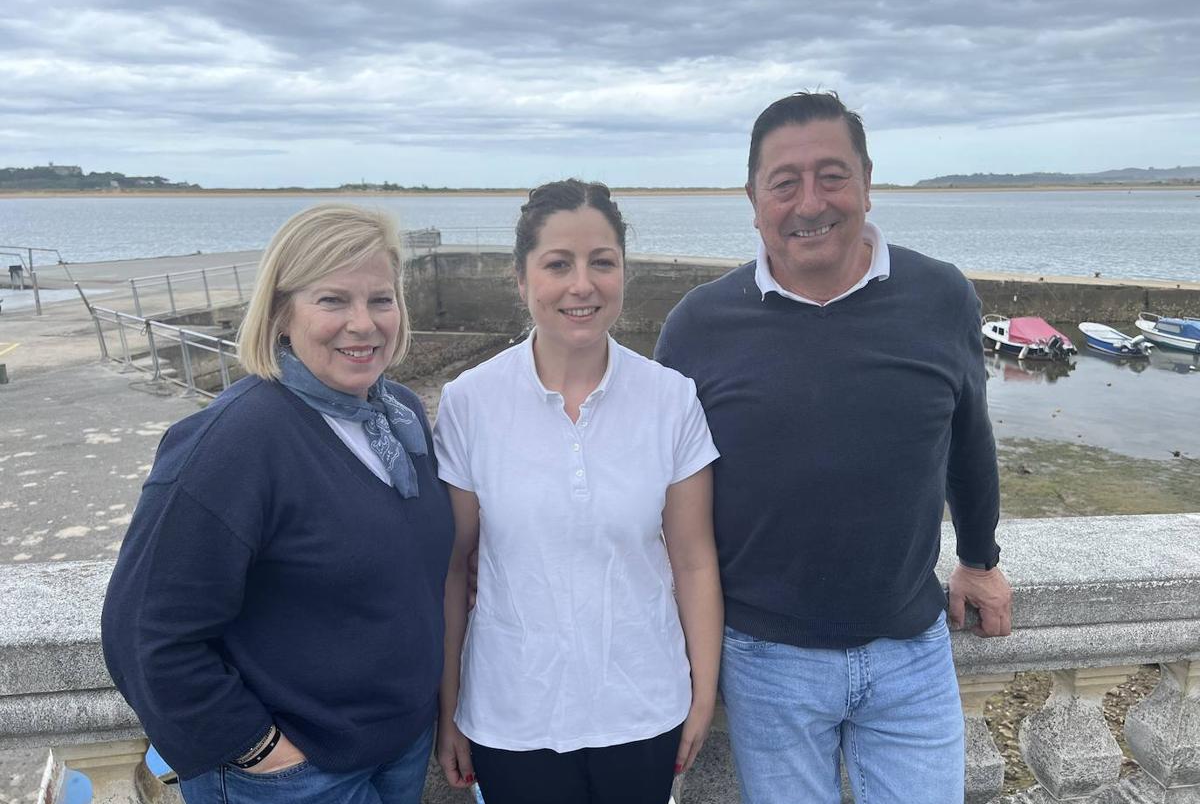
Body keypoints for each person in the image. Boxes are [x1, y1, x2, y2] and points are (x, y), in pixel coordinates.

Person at [654, 92, 1013, 804]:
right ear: (753, 199)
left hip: (912, 650)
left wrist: (979, 559)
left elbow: (968, 438)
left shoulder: (941, 296)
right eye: (784, 182)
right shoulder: (699, 324)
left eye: (832, 175)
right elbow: (655, 481)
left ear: (868, 182)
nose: (809, 202)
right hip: (765, 660)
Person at [101, 204, 454, 804]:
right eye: (333, 300)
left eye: (381, 300)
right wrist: (263, 753)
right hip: (298, 773)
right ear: (282, 313)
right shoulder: (234, 442)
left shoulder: (399, 417)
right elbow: (143, 635)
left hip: (397, 746)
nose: (364, 324)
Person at [434, 179, 723, 804]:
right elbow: (455, 567)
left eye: (602, 262)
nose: (582, 284)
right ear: (521, 278)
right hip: (511, 712)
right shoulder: (468, 403)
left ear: (624, 272)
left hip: (643, 705)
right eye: (558, 264)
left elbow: (694, 559)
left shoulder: (671, 399)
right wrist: (449, 705)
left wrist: (702, 693)